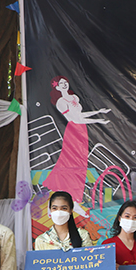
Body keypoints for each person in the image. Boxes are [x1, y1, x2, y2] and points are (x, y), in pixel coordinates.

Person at [41, 75, 110, 203]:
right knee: (71, 161)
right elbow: (75, 119)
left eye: (65, 82)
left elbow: (80, 114)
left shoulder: (74, 98)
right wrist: (98, 120)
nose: (64, 84)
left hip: (82, 130)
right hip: (73, 131)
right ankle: (64, 192)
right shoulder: (61, 102)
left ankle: (76, 194)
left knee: (81, 161)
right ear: (57, 87)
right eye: (61, 83)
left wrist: (99, 112)